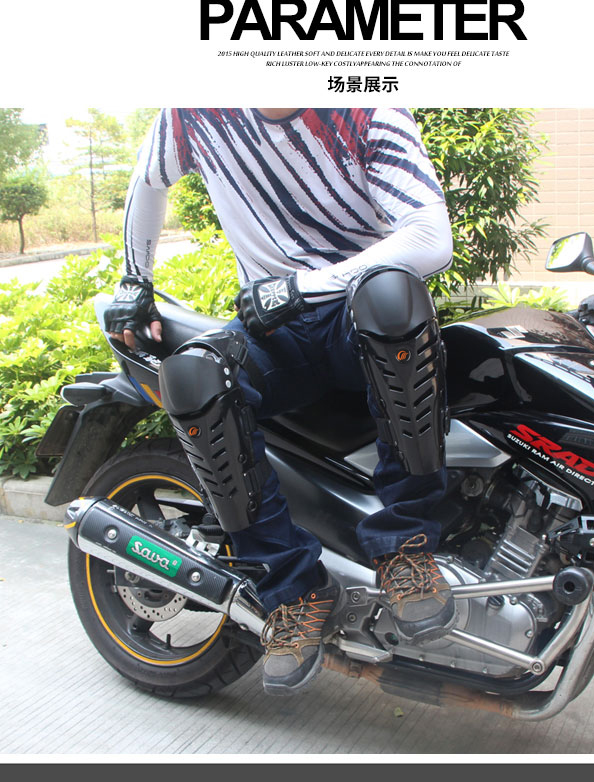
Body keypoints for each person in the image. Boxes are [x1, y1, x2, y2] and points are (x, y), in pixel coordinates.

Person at [104, 108, 455, 695]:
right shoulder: (195, 108)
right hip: (271, 330)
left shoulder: (365, 105)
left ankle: (406, 547)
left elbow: (429, 237)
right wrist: (135, 280)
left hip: (356, 313)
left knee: (393, 297)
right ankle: (291, 591)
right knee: (192, 376)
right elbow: (148, 180)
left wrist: (302, 286)